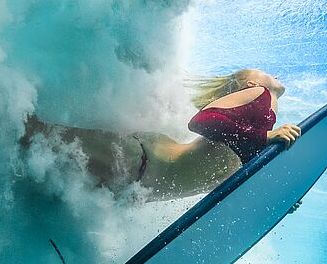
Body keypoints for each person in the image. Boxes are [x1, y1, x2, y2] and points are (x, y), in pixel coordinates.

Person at [20, 68, 302, 204]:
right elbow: (203, 121)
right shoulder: (258, 96)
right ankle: (0, 102)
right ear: (250, 83)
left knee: (29, 167)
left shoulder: (256, 136)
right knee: (30, 134)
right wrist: (265, 137)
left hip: (133, 186)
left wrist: (276, 199)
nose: (272, 75)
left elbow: (239, 181)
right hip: (137, 162)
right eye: (264, 72)